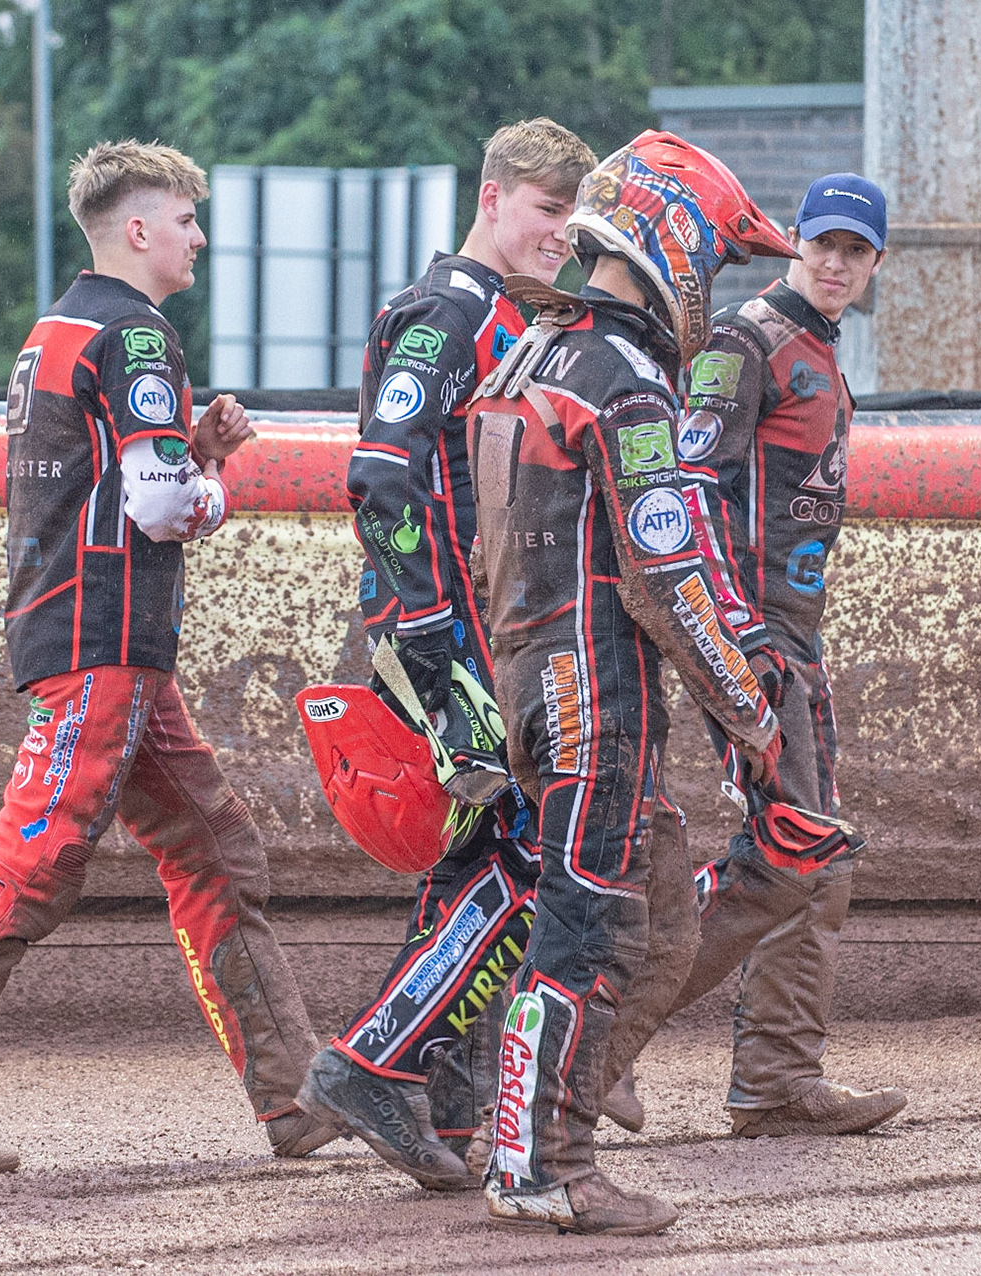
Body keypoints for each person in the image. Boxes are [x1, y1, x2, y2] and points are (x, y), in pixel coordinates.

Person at [0, 140, 339, 1172]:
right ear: (139, 228)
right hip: (100, 641)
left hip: (96, 640)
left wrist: (189, 450)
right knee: (31, 862)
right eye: (186, 218)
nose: (200, 236)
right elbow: (157, 506)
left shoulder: (56, 330)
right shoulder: (138, 335)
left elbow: (108, 480)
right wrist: (213, 487)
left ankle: (296, 1100)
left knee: (215, 846)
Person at [461, 131, 797, 1235]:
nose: (722, 286)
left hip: (526, 678)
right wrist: (746, 708)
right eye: (725, 260)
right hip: (598, 701)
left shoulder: (527, 356)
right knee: (589, 928)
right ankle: (547, 1159)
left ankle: (525, 1130)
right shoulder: (626, 382)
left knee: (653, 920)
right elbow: (670, 573)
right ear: (681, 244)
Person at [294, 119, 598, 1191]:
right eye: (548, 209)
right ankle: (372, 1059)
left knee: (476, 856)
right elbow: (381, 470)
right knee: (521, 849)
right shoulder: (449, 307)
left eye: (573, 213)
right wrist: (428, 642)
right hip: (446, 641)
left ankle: (440, 1076)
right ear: (493, 196)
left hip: (476, 630)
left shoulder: (506, 310)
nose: (563, 231)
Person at [598, 172, 907, 1141]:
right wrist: (740, 636)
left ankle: (775, 1076)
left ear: (874, 263)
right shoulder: (747, 339)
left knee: (819, 861)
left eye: (853, 251)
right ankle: (598, 1047)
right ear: (797, 246)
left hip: (792, 641)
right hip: (753, 640)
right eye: (822, 244)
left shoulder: (819, 347)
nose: (834, 262)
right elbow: (687, 486)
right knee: (796, 851)